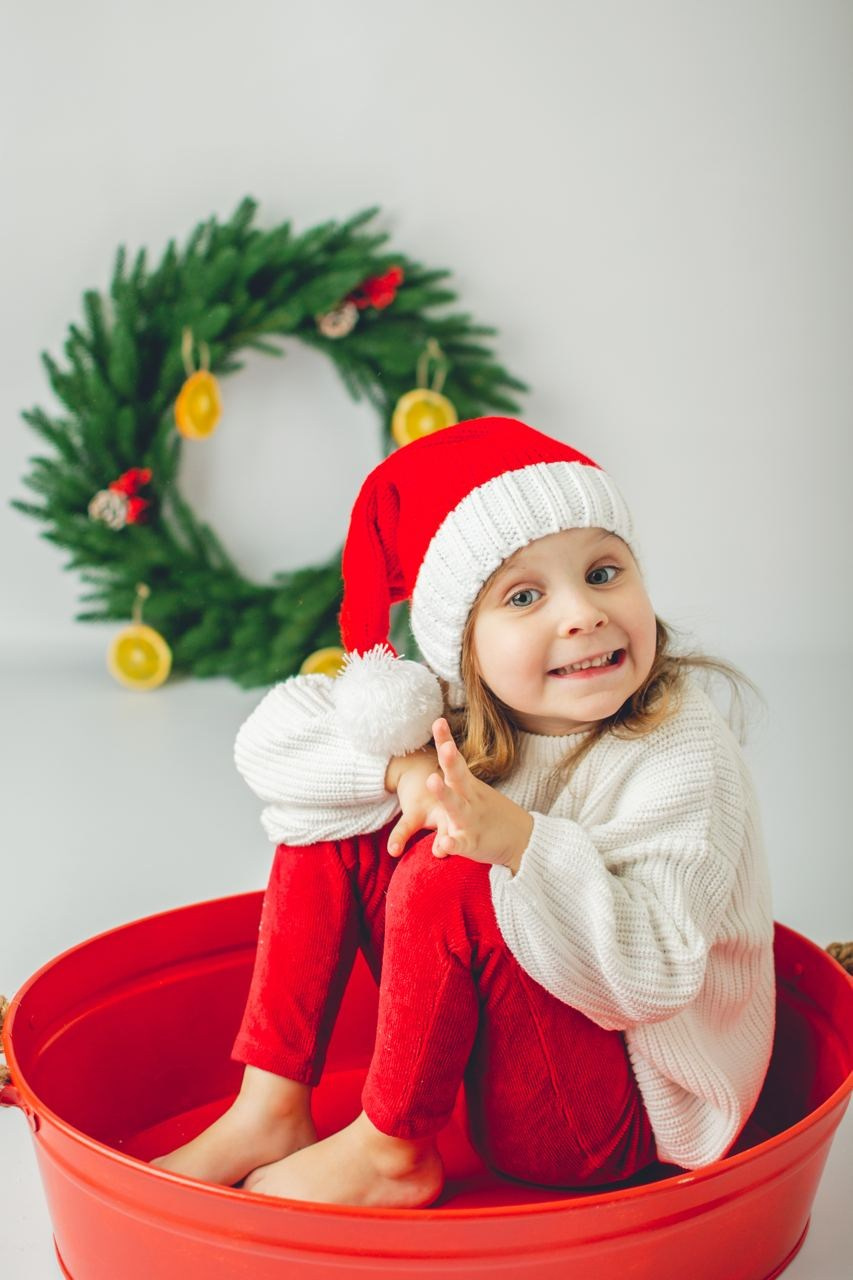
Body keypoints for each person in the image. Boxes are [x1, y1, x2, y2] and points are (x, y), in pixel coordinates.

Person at [151, 416, 776, 1209]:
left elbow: (655, 978)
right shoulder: (471, 704)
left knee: (452, 876)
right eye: (524, 595)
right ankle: (269, 1108)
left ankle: (392, 1151)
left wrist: (521, 844)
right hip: (497, 1048)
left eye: (604, 572)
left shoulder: (680, 751)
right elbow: (270, 743)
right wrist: (402, 769)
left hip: (610, 1119)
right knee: (335, 828)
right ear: (464, 650)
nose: (580, 613)